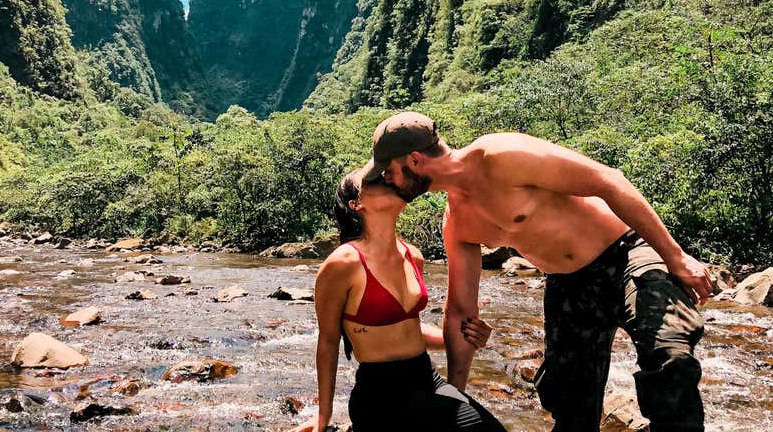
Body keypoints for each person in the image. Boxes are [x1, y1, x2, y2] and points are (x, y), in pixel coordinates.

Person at [361, 112, 710, 432]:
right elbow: (461, 314)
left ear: (415, 160)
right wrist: (456, 393)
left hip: (626, 253)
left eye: (389, 172)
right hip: (567, 284)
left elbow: (609, 180)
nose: (389, 181)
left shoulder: (501, 156)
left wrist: (675, 257)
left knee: (669, 357)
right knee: (570, 404)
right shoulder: (457, 223)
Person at [289, 169, 508, 432]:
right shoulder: (342, 264)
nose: (387, 180)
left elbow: (408, 329)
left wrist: (469, 337)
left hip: (427, 379)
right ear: (357, 204)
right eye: (374, 181)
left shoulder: (412, 255)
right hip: (381, 395)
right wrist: (323, 418)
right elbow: (327, 341)